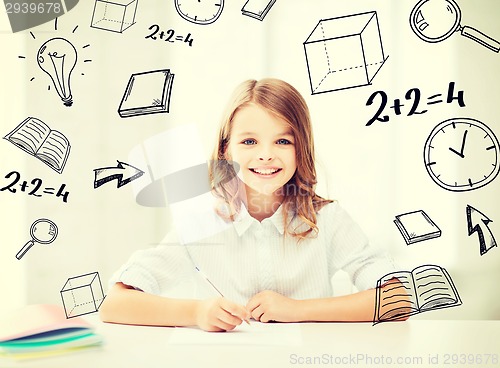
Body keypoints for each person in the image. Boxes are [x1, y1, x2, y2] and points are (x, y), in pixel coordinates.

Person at [100, 78, 405, 332]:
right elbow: (115, 304)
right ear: (225, 149)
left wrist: (295, 310)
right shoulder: (201, 223)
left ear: (302, 149)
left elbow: (399, 301)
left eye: (283, 142)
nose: (266, 155)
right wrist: (196, 313)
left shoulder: (327, 220)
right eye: (249, 142)